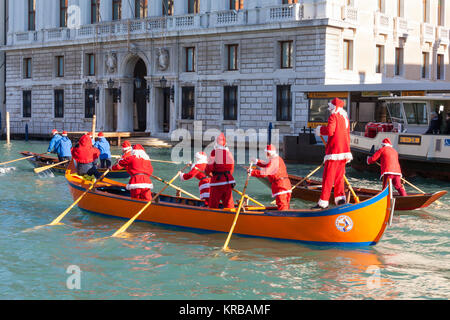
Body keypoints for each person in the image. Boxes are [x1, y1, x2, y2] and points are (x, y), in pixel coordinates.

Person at [313, 98, 353, 209]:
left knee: (328, 177)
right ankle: (340, 199)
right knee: (339, 177)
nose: (329, 109)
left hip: (334, 151)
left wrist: (320, 130)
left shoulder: (333, 116)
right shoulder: (345, 118)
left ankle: (323, 202)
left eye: (330, 107)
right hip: (344, 151)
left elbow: (330, 131)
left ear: (334, 107)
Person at [250, 144, 292, 210]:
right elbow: (266, 165)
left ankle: (282, 219)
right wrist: (256, 161)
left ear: (268, 153)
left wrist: (252, 172)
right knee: (285, 205)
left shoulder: (274, 161)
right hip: (285, 185)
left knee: (282, 206)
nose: (265, 155)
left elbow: (265, 173)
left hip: (280, 186)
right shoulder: (277, 159)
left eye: (266, 153)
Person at [205, 133, 235, 209]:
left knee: (213, 203)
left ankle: (213, 217)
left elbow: (209, 167)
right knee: (228, 203)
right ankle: (229, 216)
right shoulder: (229, 153)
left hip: (217, 182)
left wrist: (208, 173)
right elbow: (231, 169)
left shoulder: (214, 152)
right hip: (228, 181)